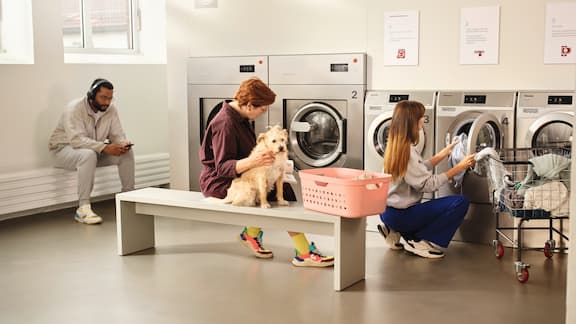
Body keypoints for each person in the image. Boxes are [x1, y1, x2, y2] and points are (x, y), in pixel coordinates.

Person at [199, 77, 334, 267]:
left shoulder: (242, 118)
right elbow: (222, 168)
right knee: (274, 192)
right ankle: (303, 252)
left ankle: (250, 234)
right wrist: (254, 161)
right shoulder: (225, 124)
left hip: (243, 174)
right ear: (248, 105)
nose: (263, 113)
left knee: (280, 187)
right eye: (262, 109)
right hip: (220, 182)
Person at [377, 100, 476, 259]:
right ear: (411, 122)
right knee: (460, 202)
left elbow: (418, 168)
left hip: (386, 212)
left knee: (420, 210)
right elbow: (428, 185)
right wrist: (459, 167)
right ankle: (417, 241)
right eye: (421, 117)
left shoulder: (396, 146)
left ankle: (393, 230)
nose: (424, 120)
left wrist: (441, 155)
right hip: (402, 215)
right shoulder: (407, 151)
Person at [48, 78, 134, 225]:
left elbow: (117, 134)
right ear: (91, 94)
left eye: (110, 98)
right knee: (87, 155)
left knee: (125, 153)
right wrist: (106, 147)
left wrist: (122, 144)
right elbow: (76, 140)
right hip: (63, 150)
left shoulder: (111, 109)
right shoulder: (74, 108)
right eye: (103, 98)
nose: (107, 102)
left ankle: (129, 200)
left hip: (95, 150)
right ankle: (83, 208)